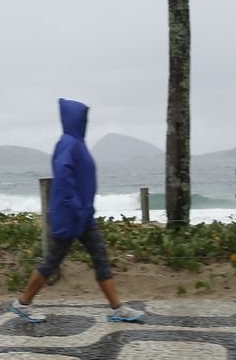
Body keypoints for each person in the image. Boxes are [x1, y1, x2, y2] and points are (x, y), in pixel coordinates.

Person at [10, 97, 145, 324]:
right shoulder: (68, 144)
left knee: (100, 257)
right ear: (74, 118)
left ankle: (117, 308)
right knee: (52, 261)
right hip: (71, 217)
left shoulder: (77, 143)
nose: (85, 121)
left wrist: (84, 210)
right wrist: (76, 208)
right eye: (83, 117)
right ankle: (22, 303)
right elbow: (63, 180)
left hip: (83, 216)